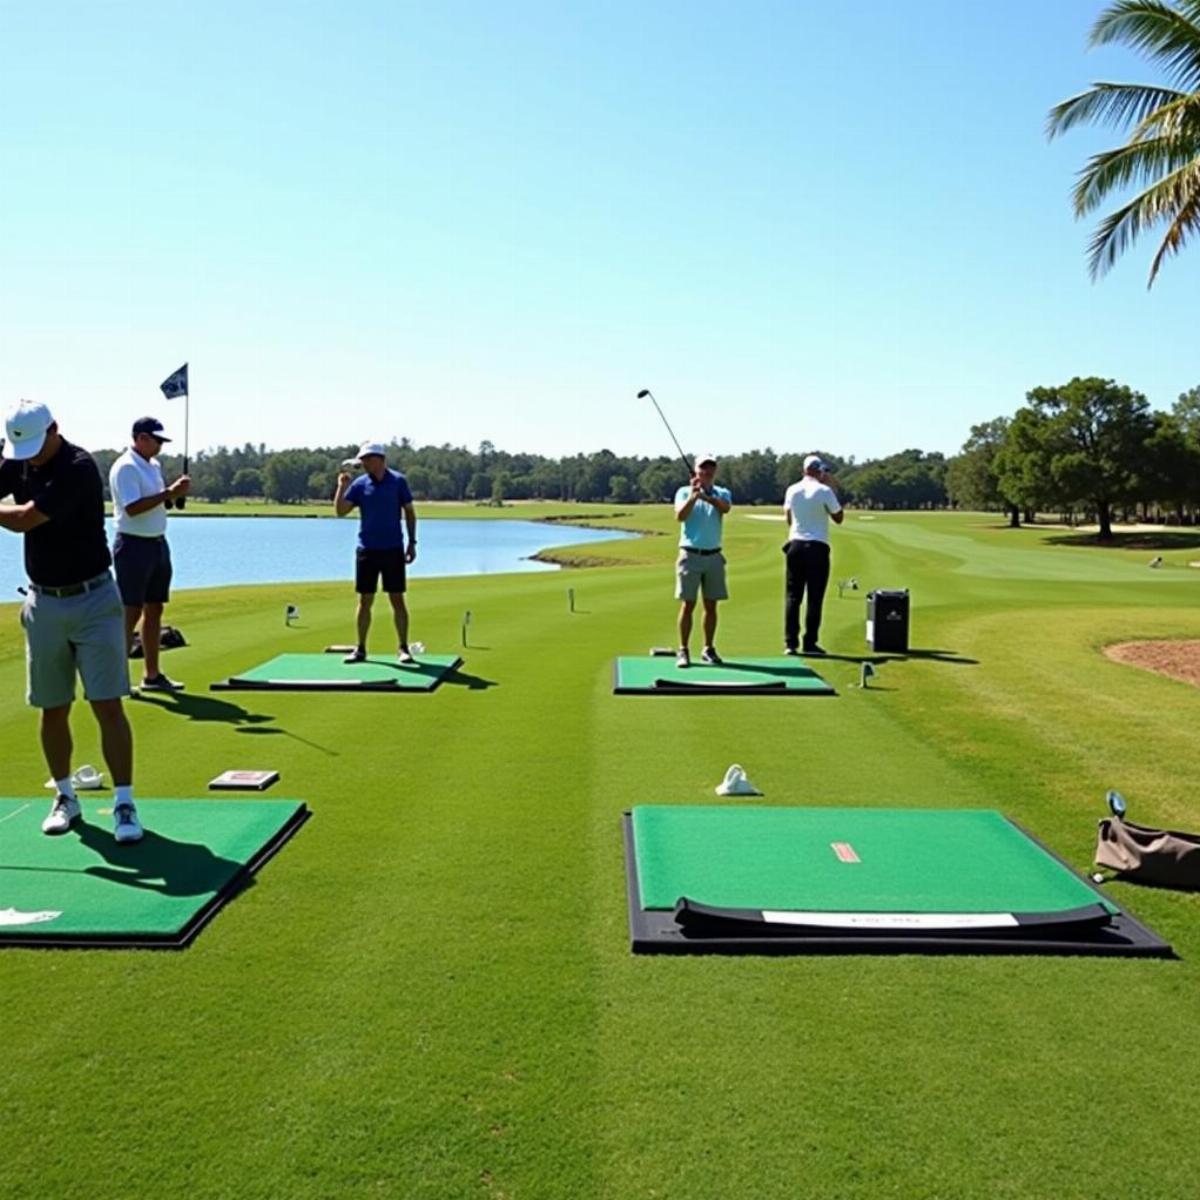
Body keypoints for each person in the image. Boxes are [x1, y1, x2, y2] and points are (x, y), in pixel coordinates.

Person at [0, 399, 143, 842]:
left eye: (37, 448)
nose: (31, 460)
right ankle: (65, 796)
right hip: (43, 602)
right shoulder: (19, 459)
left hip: (94, 598)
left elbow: (26, 520)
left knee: (107, 704)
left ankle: (124, 804)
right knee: (52, 706)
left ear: (55, 429)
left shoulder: (78, 467)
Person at [109, 416, 191, 691]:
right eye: (157, 440)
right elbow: (132, 508)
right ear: (141, 438)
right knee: (130, 611)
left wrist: (172, 496)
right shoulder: (126, 467)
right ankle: (115, 678)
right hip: (132, 545)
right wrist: (169, 492)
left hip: (157, 543)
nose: (160, 446)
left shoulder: (152, 466)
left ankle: (152, 675)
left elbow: (157, 504)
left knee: (155, 607)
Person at [334, 441, 418, 663]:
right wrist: (342, 486)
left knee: (397, 599)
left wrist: (412, 542)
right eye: (363, 460)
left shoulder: (398, 481)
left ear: (380, 459)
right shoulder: (360, 485)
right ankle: (360, 648)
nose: (364, 464)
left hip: (393, 548)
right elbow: (341, 511)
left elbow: (410, 512)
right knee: (365, 600)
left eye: (368, 459)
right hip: (367, 550)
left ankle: (403, 648)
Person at [673, 453, 732, 668]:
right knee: (688, 604)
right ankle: (683, 650)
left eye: (710, 468)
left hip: (714, 555)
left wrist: (707, 496)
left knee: (711, 605)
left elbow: (725, 508)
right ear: (696, 471)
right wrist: (694, 496)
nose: (707, 472)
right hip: (690, 554)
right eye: (703, 468)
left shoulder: (722, 492)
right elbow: (680, 516)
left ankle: (708, 648)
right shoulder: (683, 492)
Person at [782, 453, 844, 656]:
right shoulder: (825, 490)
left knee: (793, 597)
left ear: (803, 470)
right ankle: (809, 643)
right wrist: (830, 487)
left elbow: (788, 517)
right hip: (817, 547)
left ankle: (790, 643)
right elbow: (838, 517)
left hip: (795, 545)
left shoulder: (792, 489)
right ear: (819, 471)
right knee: (814, 598)